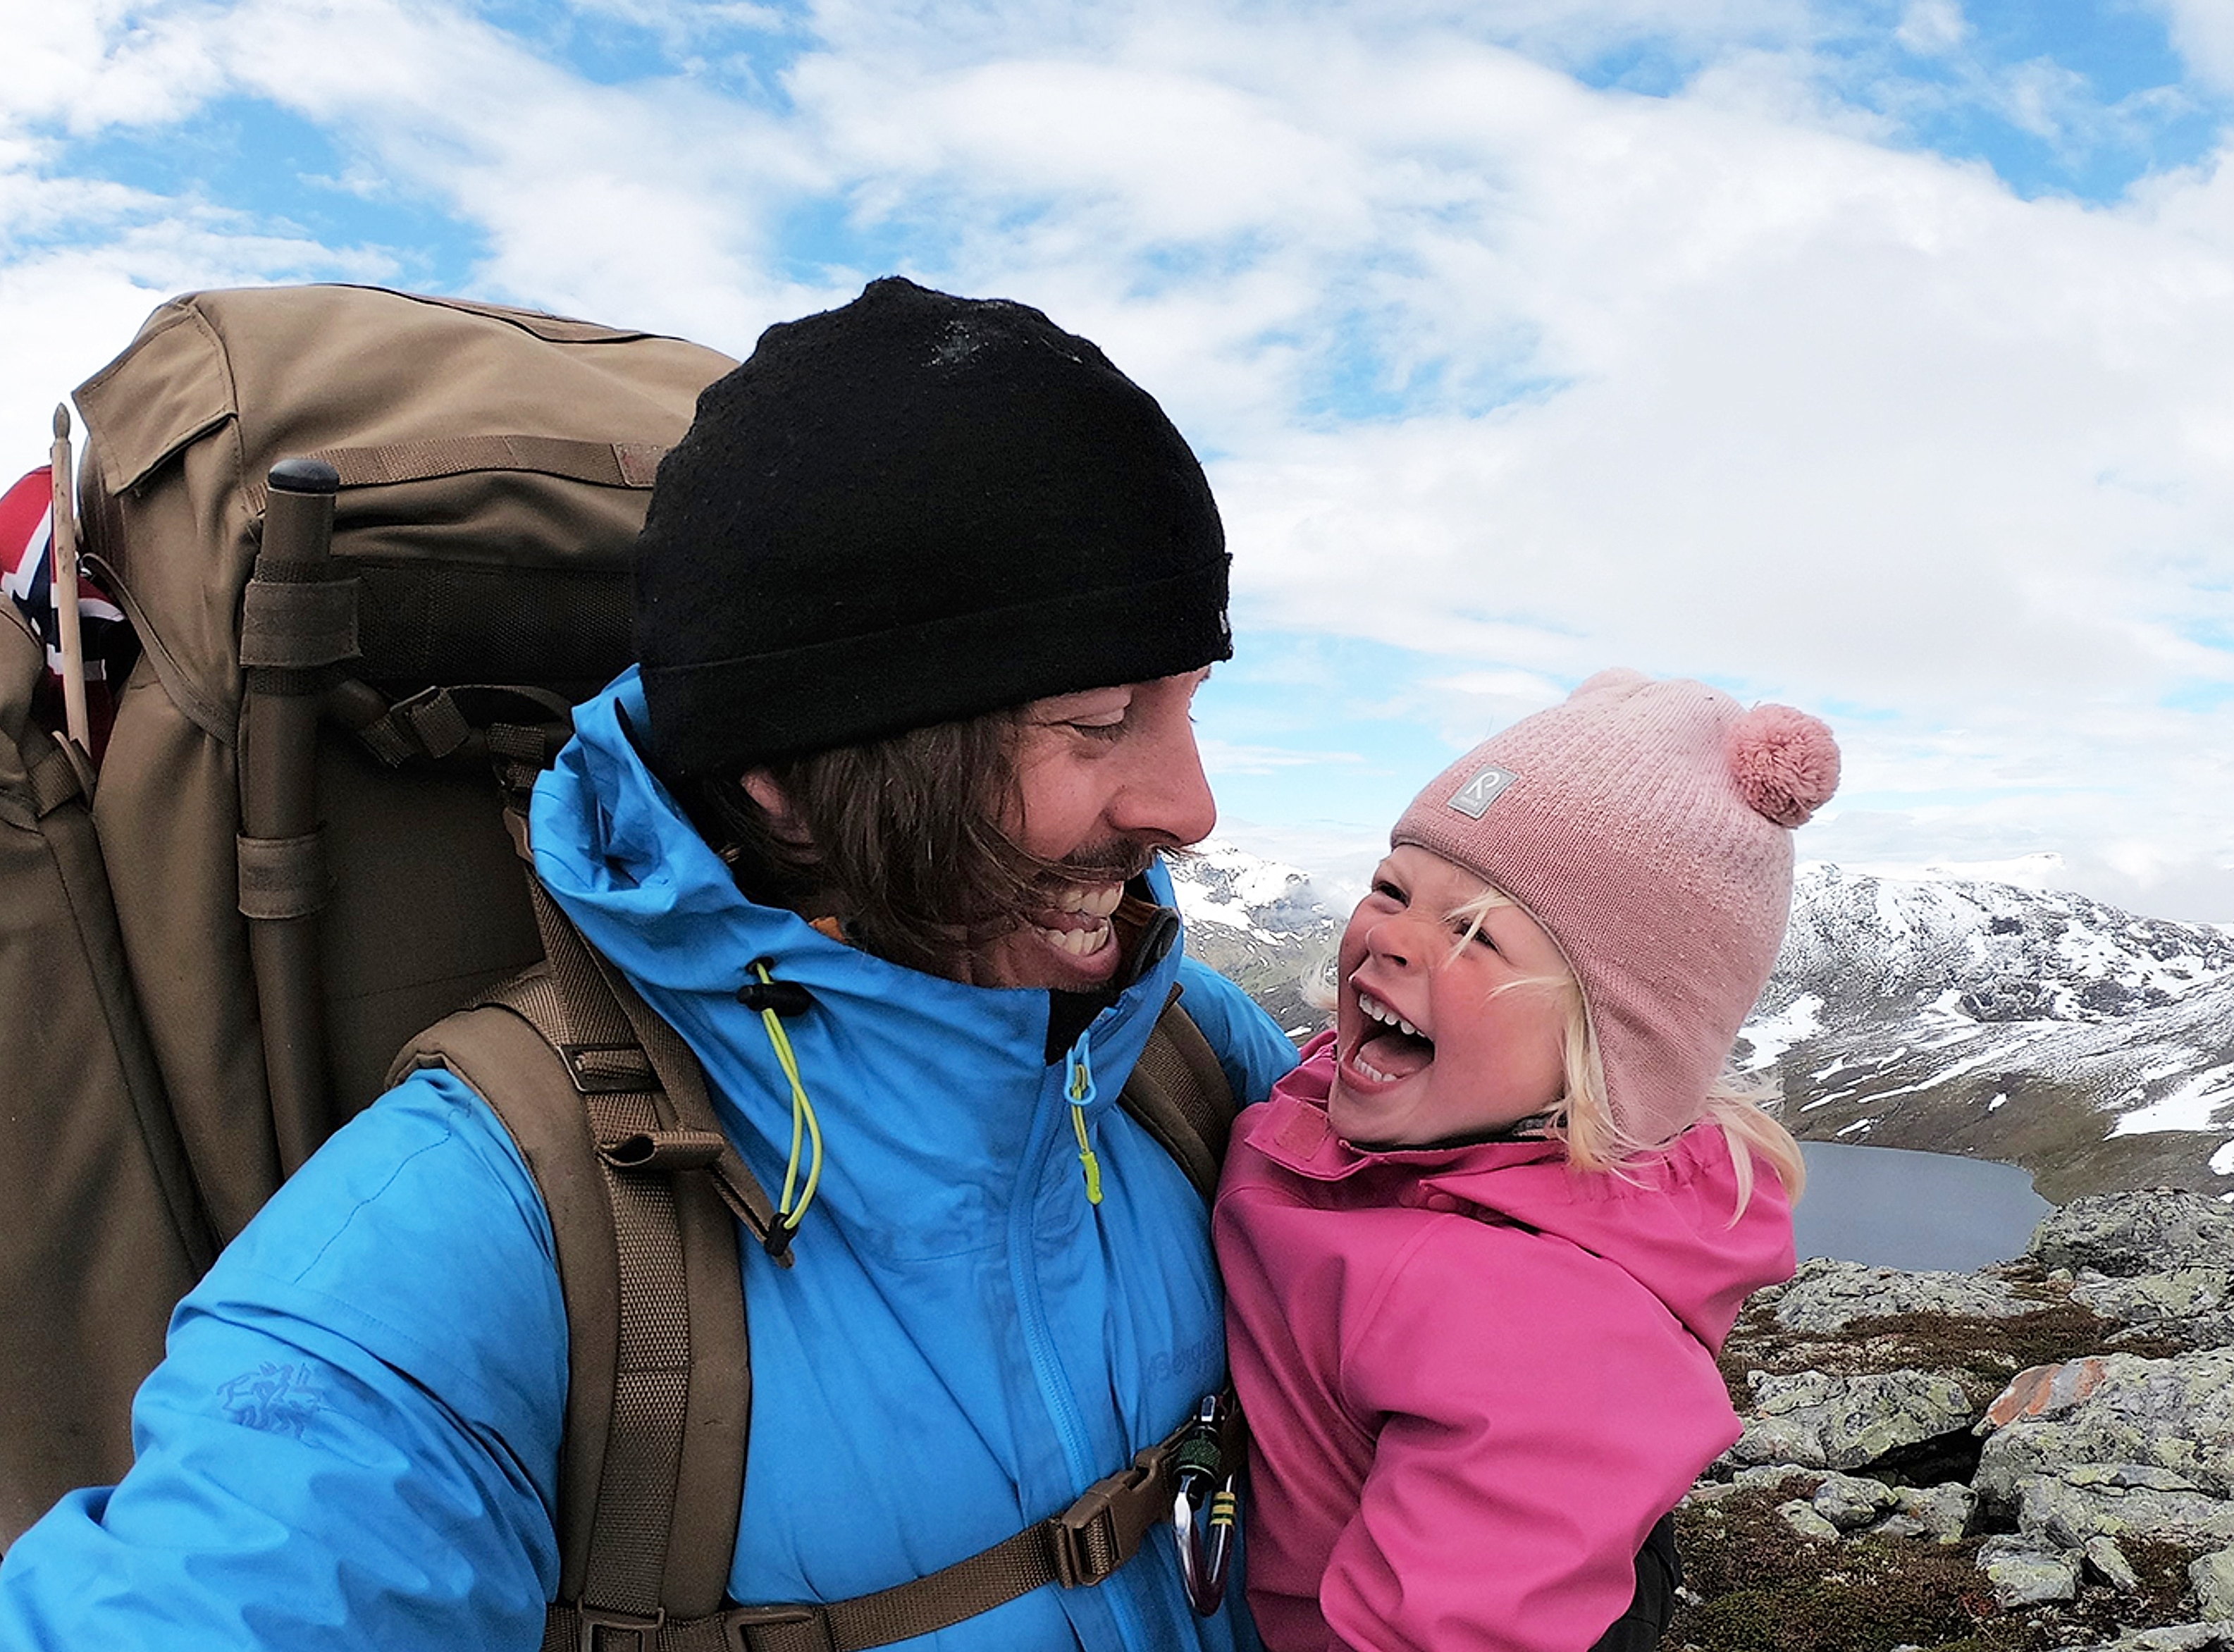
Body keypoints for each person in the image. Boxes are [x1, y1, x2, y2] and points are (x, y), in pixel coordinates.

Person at [0, 279, 1302, 1651]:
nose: (1190, 803)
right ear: (789, 775)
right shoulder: (477, 1214)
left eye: (1186, 702)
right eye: (1096, 719)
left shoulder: (1181, 1052)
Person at [1212, 669, 1839, 1651]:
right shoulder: (1366, 1109)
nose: (1395, 940)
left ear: (1608, 1046)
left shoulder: (1547, 1327)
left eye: (1475, 935)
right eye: (1392, 889)